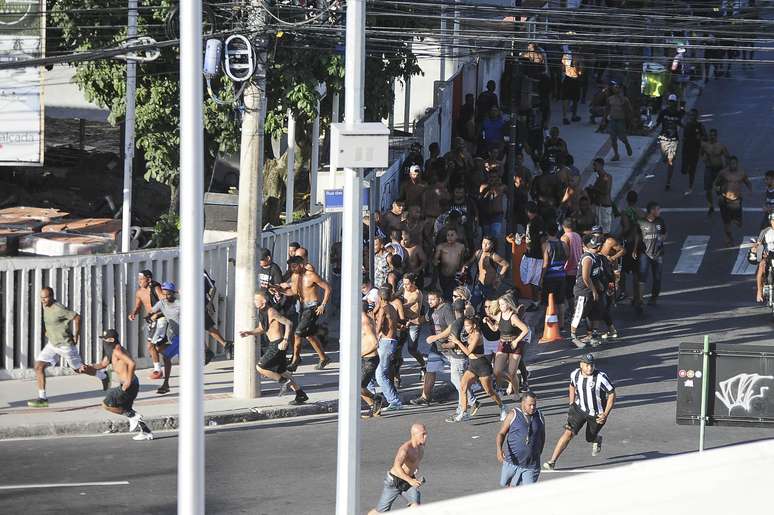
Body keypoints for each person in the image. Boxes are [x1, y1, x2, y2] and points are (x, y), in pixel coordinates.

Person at [543, 353, 616, 470]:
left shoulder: (601, 377)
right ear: (581, 365)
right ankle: (552, 461)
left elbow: (612, 394)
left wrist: (605, 414)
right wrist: (571, 402)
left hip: (596, 414)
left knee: (589, 438)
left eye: (591, 365)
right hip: (579, 409)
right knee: (568, 433)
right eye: (587, 365)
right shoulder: (575, 374)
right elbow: (572, 386)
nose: (589, 368)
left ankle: (596, 439)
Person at [240, 290, 308, 405]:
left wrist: (286, 340)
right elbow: (261, 328)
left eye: (257, 299)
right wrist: (249, 333)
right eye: (254, 299)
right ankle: (300, 394)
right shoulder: (261, 312)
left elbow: (288, 323)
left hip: (278, 344)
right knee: (282, 371)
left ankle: (284, 382)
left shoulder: (271, 311)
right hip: (274, 343)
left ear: (264, 301)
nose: (254, 301)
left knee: (260, 367)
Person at [28, 287, 90, 407]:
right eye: (41, 298)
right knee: (38, 366)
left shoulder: (59, 308)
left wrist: (77, 335)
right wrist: (48, 331)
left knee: (78, 369)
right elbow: (49, 321)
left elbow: (77, 317)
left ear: (51, 296)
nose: (43, 300)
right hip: (52, 344)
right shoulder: (45, 305)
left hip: (65, 345)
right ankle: (42, 398)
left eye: (45, 297)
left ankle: (102, 374)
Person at [90, 329, 154, 441]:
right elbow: (102, 364)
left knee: (107, 405)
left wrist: (128, 381)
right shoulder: (111, 351)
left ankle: (133, 416)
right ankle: (146, 432)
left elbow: (132, 363)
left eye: (105, 339)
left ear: (111, 340)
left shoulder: (117, 350)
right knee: (126, 408)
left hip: (129, 385)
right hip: (130, 384)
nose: (103, 342)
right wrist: (88, 367)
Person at [448, 317, 507, 422]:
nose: (466, 328)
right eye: (465, 326)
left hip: (482, 366)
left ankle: (502, 407)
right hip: (472, 365)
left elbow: (468, 352)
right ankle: (464, 412)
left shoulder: (477, 335)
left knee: (489, 391)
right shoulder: (469, 334)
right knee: (462, 387)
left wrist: (457, 341)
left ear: (474, 325)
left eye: (468, 325)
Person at [281, 255, 332, 371]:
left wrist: (323, 304)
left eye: (294, 266)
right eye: (291, 267)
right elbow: (293, 292)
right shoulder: (294, 277)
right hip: (303, 308)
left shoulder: (311, 275)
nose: (292, 269)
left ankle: (295, 360)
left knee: (298, 333)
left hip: (313, 307)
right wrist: (279, 290)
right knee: (309, 335)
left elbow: (328, 288)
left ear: (301, 265)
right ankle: (323, 358)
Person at [368, 424, 428, 513]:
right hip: (394, 482)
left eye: (426, 434)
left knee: (415, 506)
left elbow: (413, 465)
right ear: (415, 435)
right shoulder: (405, 449)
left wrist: (414, 474)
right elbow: (397, 466)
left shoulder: (421, 450)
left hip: (407, 482)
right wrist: (410, 480)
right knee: (380, 512)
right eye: (423, 434)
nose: (426, 436)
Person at [410, 290, 456, 407]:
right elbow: (424, 319)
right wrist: (411, 322)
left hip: (450, 346)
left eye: (432, 299)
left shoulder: (446, 308)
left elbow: (452, 327)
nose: (429, 302)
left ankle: (470, 396)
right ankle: (425, 397)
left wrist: (436, 337)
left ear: (439, 299)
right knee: (430, 370)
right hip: (436, 347)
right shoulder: (431, 309)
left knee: (458, 375)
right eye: (428, 299)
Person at [496, 391, 545, 487]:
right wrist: (499, 450)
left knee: (527, 493)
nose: (533, 407)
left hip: (531, 464)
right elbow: (501, 433)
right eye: (530, 405)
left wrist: (537, 453)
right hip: (512, 461)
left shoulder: (539, 416)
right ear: (523, 403)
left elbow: (542, 436)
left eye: (534, 405)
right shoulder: (513, 414)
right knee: (510, 487)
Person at [485, 294, 529, 399]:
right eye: (499, 304)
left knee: (511, 372)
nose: (500, 306)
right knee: (496, 371)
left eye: (503, 304)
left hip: (514, 345)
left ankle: (517, 392)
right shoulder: (500, 315)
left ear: (509, 304)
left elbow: (525, 329)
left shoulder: (513, 317)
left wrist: (516, 341)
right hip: (502, 344)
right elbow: (495, 329)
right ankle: (512, 380)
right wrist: (488, 322)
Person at [127, 269, 165, 379]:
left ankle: (157, 370)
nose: (139, 281)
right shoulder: (139, 292)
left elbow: (165, 302)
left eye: (141, 279)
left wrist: (157, 314)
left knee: (151, 345)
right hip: (152, 321)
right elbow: (138, 307)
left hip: (161, 318)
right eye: (138, 279)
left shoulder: (156, 288)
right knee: (156, 346)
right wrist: (133, 313)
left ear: (148, 279)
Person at [570, 235, 605, 348]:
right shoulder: (588, 258)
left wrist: (599, 286)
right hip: (583, 291)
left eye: (598, 247)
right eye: (594, 248)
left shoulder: (596, 258)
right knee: (579, 314)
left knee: (595, 312)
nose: (597, 249)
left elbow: (595, 275)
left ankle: (593, 334)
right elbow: (585, 277)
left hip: (592, 289)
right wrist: (594, 291)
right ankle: (573, 337)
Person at [148, 281, 180, 394]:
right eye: (165, 294)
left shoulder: (180, 304)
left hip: (184, 337)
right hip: (174, 337)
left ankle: (166, 384)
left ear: (174, 293)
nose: (166, 296)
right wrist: (151, 316)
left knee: (167, 357)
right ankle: (166, 384)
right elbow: (151, 311)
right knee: (161, 351)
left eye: (169, 294)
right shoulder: (162, 302)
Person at [374, 286, 403, 412]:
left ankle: (394, 401)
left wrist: (373, 338)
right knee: (381, 372)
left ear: (380, 297)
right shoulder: (391, 307)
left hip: (385, 342)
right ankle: (389, 398)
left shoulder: (383, 309)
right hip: (391, 341)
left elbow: (379, 326)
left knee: (380, 375)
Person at [634, 202, 667, 310]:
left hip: (657, 254)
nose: (659, 211)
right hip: (645, 253)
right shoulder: (641, 222)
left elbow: (664, 233)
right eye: (658, 209)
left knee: (657, 277)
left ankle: (654, 297)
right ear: (652, 211)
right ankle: (640, 299)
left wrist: (662, 238)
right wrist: (634, 249)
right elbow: (637, 236)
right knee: (642, 276)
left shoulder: (660, 221)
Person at [714, 156, 752, 246]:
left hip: (736, 200)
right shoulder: (723, 173)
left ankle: (736, 221)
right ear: (728, 164)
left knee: (738, 223)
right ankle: (729, 238)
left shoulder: (741, 173)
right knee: (726, 222)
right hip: (725, 199)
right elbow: (716, 183)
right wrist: (718, 194)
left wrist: (750, 191)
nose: (732, 165)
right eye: (731, 164)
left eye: (734, 163)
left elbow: (747, 182)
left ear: (737, 164)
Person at [468, 235, 509, 310]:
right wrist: (464, 267)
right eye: (483, 243)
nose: (484, 245)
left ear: (492, 245)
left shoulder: (494, 256)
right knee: (472, 305)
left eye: (488, 244)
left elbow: (506, 265)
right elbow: (470, 262)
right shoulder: (478, 253)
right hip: (479, 285)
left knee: (486, 309)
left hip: (490, 287)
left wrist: (499, 278)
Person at [541, 223, 569, 328]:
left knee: (547, 301)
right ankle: (561, 325)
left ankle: (547, 325)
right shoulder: (564, 244)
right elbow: (567, 256)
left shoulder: (546, 245)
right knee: (560, 301)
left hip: (550, 276)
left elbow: (545, 263)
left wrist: (541, 278)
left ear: (547, 232)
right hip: (561, 275)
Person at [655, 94, 683, 191]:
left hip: (673, 139)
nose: (671, 103)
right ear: (668, 102)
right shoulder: (663, 112)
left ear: (675, 103)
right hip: (663, 138)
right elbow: (657, 122)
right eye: (670, 101)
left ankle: (668, 182)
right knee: (665, 159)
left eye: (673, 102)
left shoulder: (678, 113)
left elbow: (680, 123)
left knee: (671, 161)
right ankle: (666, 158)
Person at [520, 202, 545, 310]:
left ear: (527, 211)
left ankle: (536, 302)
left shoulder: (536, 222)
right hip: (532, 255)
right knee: (532, 279)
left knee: (534, 280)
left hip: (536, 256)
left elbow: (542, 239)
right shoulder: (535, 221)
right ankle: (537, 300)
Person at [701, 128, 730, 215]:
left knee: (719, 190)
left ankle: (723, 205)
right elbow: (701, 153)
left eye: (713, 135)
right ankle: (710, 206)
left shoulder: (721, 146)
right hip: (709, 169)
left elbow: (727, 157)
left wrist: (725, 168)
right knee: (708, 189)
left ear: (716, 136)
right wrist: (704, 159)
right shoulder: (705, 146)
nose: (712, 137)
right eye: (710, 135)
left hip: (718, 169)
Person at [361, 307, 383, 418]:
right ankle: (374, 407)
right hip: (364, 358)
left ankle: (376, 399)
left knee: (358, 386)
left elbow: (375, 344)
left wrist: (361, 354)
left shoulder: (365, 322)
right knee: (357, 386)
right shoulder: (361, 319)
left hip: (369, 359)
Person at [434, 228, 467, 301]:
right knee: (446, 291)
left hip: (455, 275)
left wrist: (462, 271)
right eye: (448, 235)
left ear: (456, 236)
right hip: (444, 275)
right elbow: (435, 259)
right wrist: (436, 261)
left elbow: (461, 260)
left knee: (450, 294)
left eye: (452, 235)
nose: (449, 237)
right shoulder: (441, 246)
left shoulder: (461, 247)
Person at [604, 82, 633, 161]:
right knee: (613, 138)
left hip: (621, 120)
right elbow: (607, 109)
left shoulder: (625, 100)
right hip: (612, 120)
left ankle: (627, 144)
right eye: (614, 87)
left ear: (620, 89)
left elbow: (629, 110)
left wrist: (630, 121)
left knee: (622, 137)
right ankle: (616, 154)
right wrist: (605, 119)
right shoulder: (610, 99)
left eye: (617, 87)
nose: (615, 89)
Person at [680, 108, 706, 196]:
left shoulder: (700, 126)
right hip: (686, 149)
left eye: (694, 115)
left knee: (692, 170)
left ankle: (690, 186)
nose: (692, 117)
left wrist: (700, 138)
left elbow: (705, 136)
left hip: (695, 150)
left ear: (696, 116)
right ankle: (686, 170)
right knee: (684, 170)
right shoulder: (687, 125)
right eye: (691, 115)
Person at [587, 158, 613, 234]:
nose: (593, 167)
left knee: (605, 231)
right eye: (593, 165)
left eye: (595, 165)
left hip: (604, 207)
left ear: (601, 165)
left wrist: (594, 188)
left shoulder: (607, 177)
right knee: (598, 231)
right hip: (598, 206)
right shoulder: (598, 177)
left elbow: (606, 191)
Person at [560, 47, 583, 125]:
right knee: (566, 98)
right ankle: (566, 117)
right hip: (570, 78)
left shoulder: (569, 55)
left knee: (575, 98)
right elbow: (563, 67)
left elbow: (563, 67)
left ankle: (572, 115)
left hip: (573, 79)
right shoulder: (568, 55)